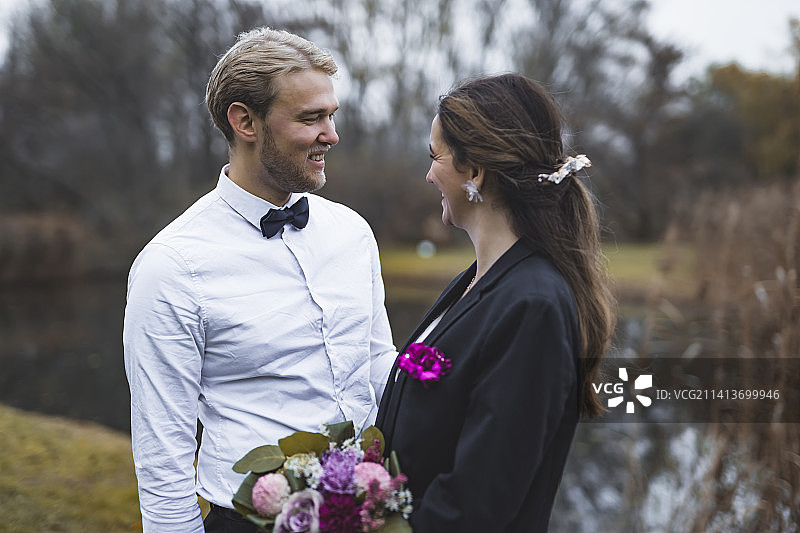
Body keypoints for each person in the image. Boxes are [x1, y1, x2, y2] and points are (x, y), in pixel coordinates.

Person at [123, 27, 396, 533]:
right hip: (249, 522)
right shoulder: (172, 266)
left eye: (331, 115)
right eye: (311, 118)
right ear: (244, 121)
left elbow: (378, 365)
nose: (331, 135)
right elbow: (163, 453)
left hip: (370, 513)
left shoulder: (352, 233)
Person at [376, 73, 616, 532]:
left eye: (435, 157)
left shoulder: (533, 305)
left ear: (474, 172)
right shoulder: (478, 281)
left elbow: (476, 506)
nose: (428, 174)